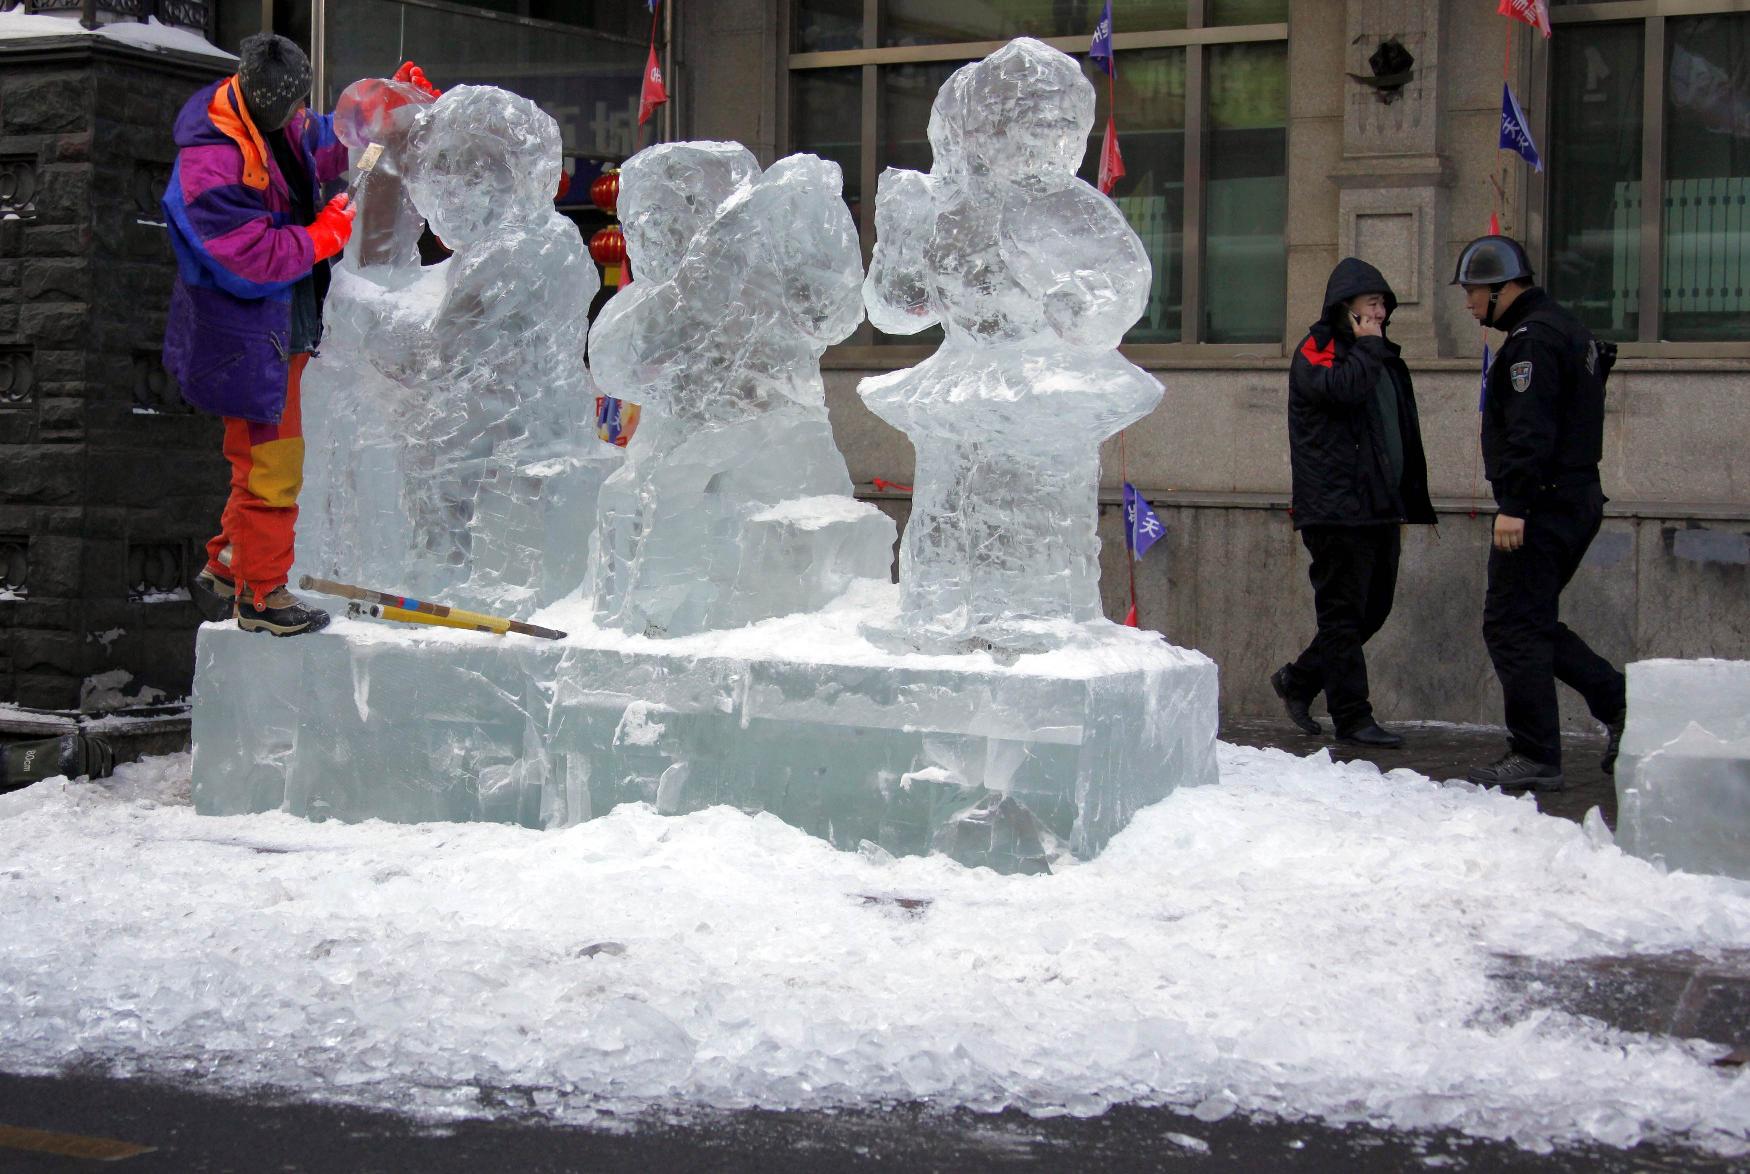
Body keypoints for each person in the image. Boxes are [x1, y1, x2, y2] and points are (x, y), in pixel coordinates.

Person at [161, 35, 435, 635]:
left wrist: (383, 104)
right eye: (287, 109)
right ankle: (263, 598)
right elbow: (244, 256)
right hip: (245, 335)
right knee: (272, 464)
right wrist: (323, 237)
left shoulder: (274, 119)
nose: (297, 117)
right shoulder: (211, 160)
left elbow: (330, 146)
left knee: (256, 458)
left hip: (279, 321)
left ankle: (231, 563)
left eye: (298, 107)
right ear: (254, 95)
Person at [1453, 235, 1626, 792]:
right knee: (1530, 623)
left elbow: (1532, 431)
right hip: (1570, 499)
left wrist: (1514, 506)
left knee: (1510, 626)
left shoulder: (1532, 342)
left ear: (1504, 289)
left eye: (1474, 292)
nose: (1469, 303)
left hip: (1543, 504)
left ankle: (1535, 752)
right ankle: (1621, 704)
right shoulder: (1563, 329)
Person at [1273, 258, 1436, 747]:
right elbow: (1338, 392)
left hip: (1379, 505)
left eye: (1385, 303)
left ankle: (1300, 680)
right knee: (1342, 615)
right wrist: (1366, 347)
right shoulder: (1319, 349)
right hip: (1335, 506)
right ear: (1346, 307)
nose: (1381, 312)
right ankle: (1352, 717)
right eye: (1372, 303)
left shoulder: (1382, 356)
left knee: (1375, 609)